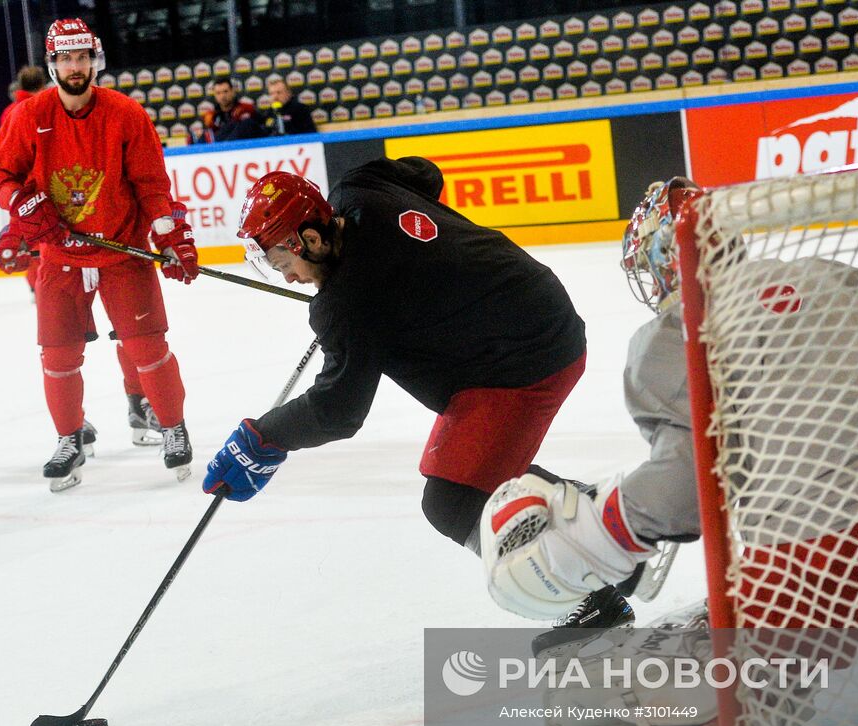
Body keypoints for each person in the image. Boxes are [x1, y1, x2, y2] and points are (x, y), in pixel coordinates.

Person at [480, 177, 858, 726]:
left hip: (825, 543)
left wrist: (592, 538)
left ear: (664, 262)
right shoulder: (832, 273)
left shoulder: (672, 333)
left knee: (760, 636)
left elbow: (683, 495)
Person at [203, 161, 587, 553]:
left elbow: (339, 409)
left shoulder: (348, 303)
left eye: (285, 264)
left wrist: (265, 437)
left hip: (525, 356)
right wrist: (416, 261)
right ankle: (604, 522)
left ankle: (599, 560)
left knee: (454, 502)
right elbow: (426, 174)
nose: (288, 277)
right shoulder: (358, 185)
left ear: (313, 240)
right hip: (532, 304)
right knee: (471, 474)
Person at [0, 17, 200, 491]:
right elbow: (2, 178)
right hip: (59, 258)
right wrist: (20, 204)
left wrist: (167, 233)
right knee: (58, 356)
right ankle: (69, 437)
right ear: (53, 63)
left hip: (121, 251)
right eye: (65, 58)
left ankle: (172, 427)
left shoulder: (126, 114)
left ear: (94, 59)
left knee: (148, 346)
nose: (75, 66)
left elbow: (151, 186)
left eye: (82, 56)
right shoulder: (28, 117)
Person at [0, 61, 163, 448]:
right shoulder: (26, 117)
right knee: (76, 343)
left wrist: (13, 227)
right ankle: (129, 407)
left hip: (96, 240)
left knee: (93, 340)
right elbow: (10, 181)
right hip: (57, 245)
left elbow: (11, 192)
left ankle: (86, 421)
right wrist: (17, 226)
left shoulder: (93, 111)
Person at [205, 77, 265, 142]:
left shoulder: (247, 109)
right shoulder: (211, 116)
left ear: (232, 91)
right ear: (214, 95)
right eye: (218, 93)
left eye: (225, 91)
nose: (222, 96)